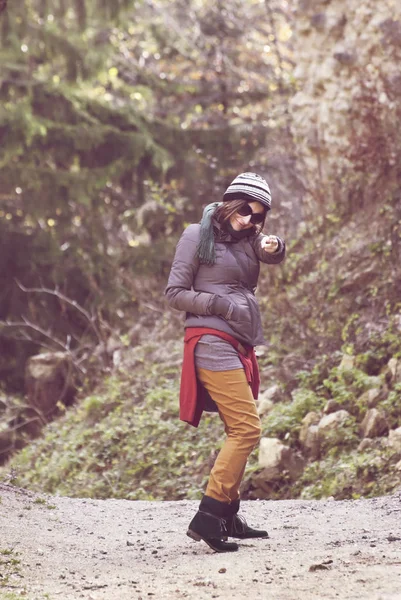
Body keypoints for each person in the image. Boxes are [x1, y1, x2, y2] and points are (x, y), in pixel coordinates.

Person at [165, 172, 286, 553]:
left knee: (240, 427)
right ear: (232, 201)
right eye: (247, 210)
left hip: (238, 341)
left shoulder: (249, 239)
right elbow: (174, 293)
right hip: (210, 340)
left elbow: (272, 254)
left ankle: (229, 513)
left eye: (259, 215)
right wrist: (218, 304)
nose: (251, 219)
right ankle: (209, 514)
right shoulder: (195, 235)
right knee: (248, 429)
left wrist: (274, 244)